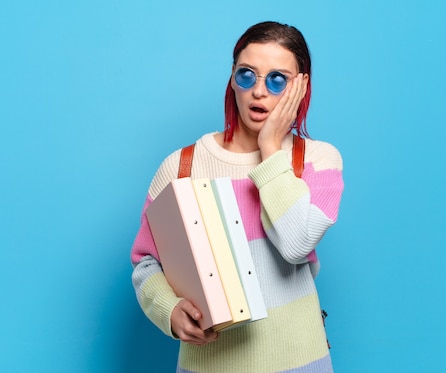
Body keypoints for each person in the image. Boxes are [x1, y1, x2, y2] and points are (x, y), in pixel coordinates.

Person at [131, 21, 344, 373]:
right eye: (248, 75)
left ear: (301, 86)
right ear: (232, 78)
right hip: (209, 364)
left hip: (301, 361)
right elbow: (146, 262)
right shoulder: (183, 166)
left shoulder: (317, 162)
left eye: (278, 80)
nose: (259, 91)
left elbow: (295, 244)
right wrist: (168, 310)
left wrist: (270, 150)